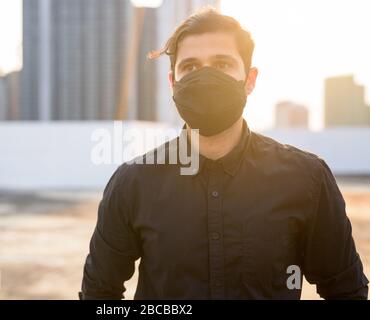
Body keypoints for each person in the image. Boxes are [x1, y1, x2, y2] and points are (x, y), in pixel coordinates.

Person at [80, 6, 368, 300]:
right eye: (190, 67)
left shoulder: (307, 179)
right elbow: (99, 294)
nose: (205, 78)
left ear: (250, 80)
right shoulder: (133, 183)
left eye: (222, 64)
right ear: (173, 84)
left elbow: (346, 291)